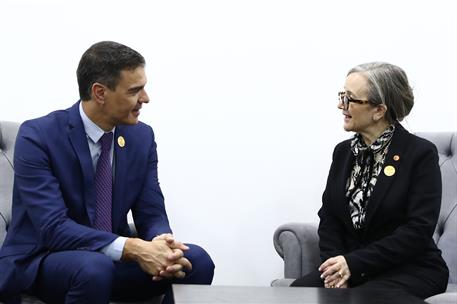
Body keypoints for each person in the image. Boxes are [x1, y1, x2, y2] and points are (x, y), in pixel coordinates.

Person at [0, 41, 214, 303]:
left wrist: (162, 243)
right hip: (44, 260)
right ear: (100, 93)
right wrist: (133, 248)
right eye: (135, 91)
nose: (145, 98)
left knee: (196, 262)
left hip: (110, 260)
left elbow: (151, 211)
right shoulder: (38, 136)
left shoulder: (141, 137)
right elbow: (53, 228)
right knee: (93, 268)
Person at [290, 62, 449, 299]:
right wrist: (336, 269)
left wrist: (353, 264)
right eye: (342, 96)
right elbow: (330, 217)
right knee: (295, 295)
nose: (340, 105)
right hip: (354, 269)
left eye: (350, 99)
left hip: (409, 269)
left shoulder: (419, 154)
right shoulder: (343, 152)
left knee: (366, 298)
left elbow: (417, 231)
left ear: (379, 110)